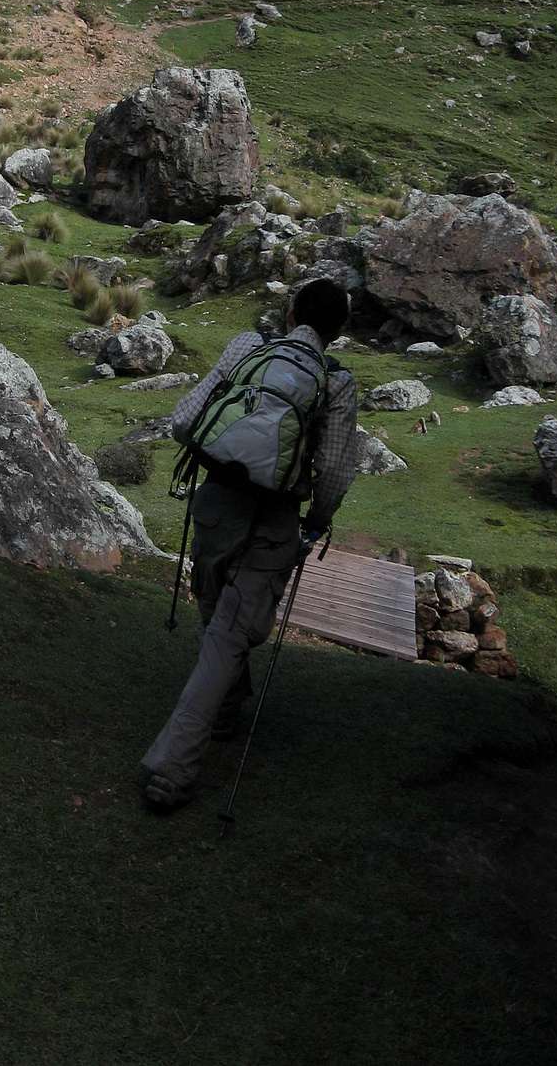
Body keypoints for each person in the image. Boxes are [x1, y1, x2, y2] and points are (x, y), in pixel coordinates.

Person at [139, 277, 359, 812]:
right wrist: (316, 521)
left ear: (290, 312)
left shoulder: (246, 349)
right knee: (229, 634)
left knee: (218, 623)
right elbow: (332, 470)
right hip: (273, 521)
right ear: (337, 331)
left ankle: (224, 709)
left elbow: (185, 420)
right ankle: (173, 769)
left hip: (215, 507)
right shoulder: (335, 382)